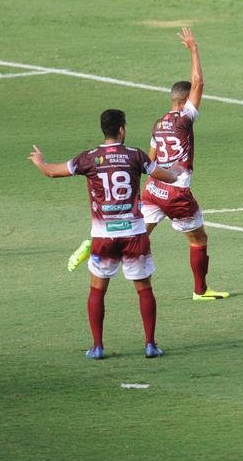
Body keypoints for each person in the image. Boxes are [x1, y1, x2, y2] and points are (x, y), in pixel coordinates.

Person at [67, 28, 229, 301]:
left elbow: (150, 162)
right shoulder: (185, 118)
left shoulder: (158, 123)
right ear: (185, 100)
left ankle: (92, 243)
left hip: (154, 188)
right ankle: (200, 290)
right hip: (177, 190)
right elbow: (198, 82)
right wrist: (193, 48)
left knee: (138, 230)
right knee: (198, 239)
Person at [30, 109, 178, 359]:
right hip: (134, 234)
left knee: (97, 290)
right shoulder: (135, 155)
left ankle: (97, 347)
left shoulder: (89, 158)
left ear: (104, 130)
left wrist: (40, 162)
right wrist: (173, 172)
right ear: (122, 129)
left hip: (103, 236)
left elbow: (53, 172)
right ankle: (150, 344)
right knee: (144, 289)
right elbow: (164, 174)